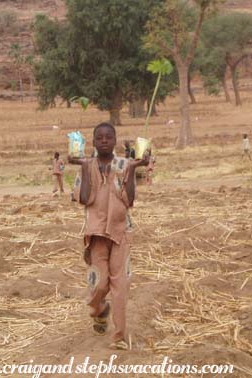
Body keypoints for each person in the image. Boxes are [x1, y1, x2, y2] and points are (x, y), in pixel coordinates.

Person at [69, 122, 148, 350]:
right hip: (95, 235)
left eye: (108, 137)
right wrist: (84, 167)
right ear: (93, 142)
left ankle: (120, 337)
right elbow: (84, 199)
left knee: (120, 286)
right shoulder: (86, 166)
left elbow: (129, 201)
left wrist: (133, 169)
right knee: (98, 285)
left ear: (115, 141)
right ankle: (99, 310)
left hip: (120, 233)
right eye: (99, 138)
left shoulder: (124, 165)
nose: (104, 141)